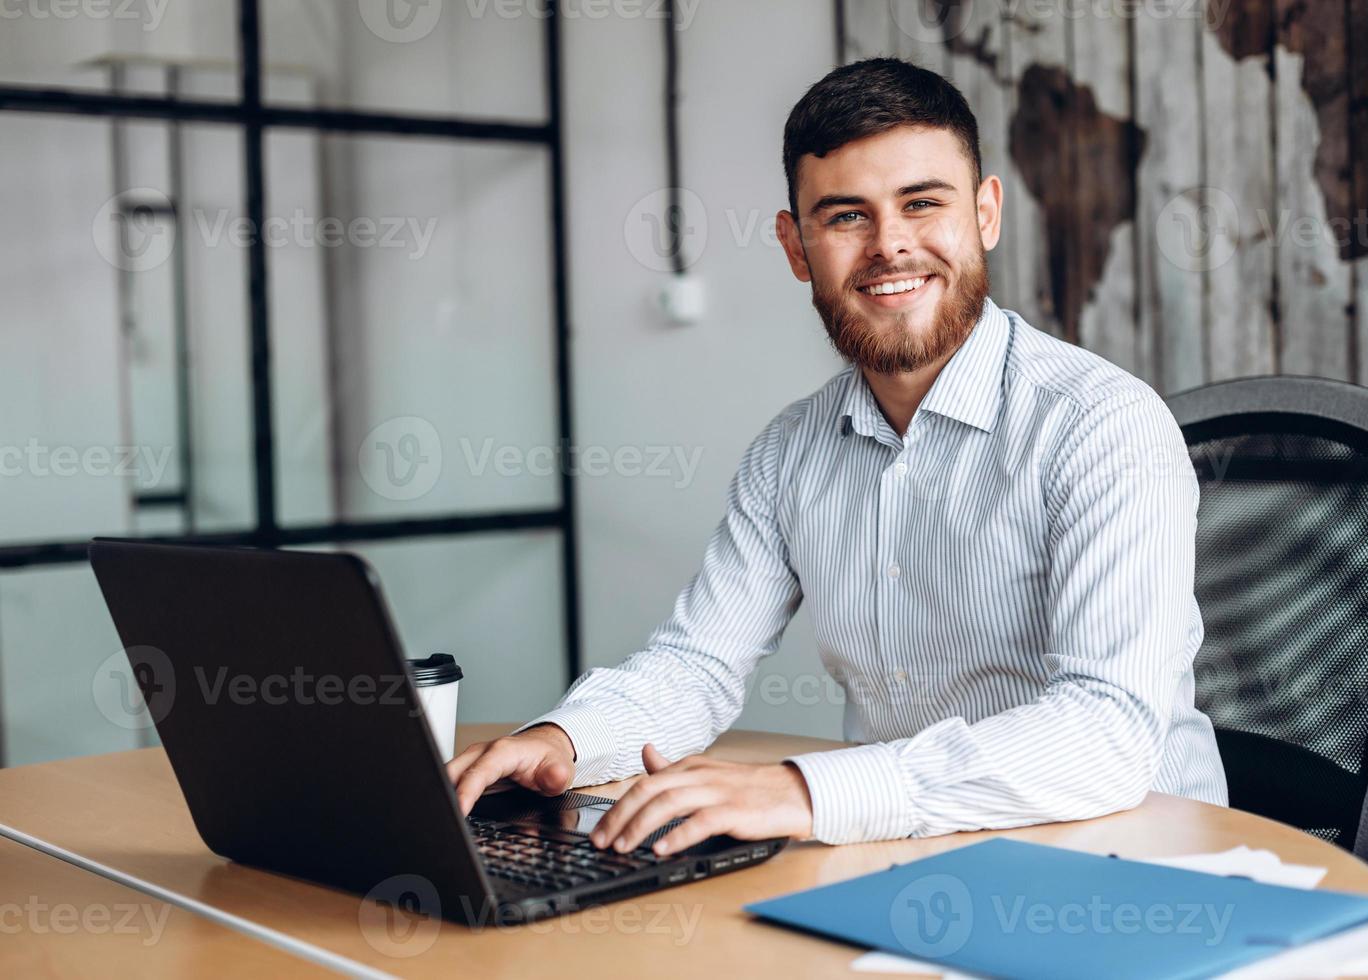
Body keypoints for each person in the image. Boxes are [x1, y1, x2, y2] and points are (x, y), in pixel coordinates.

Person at [448, 57, 1227, 857]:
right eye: (846, 216)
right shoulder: (790, 453)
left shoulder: (1103, 425)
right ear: (796, 245)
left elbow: (1106, 734)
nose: (890, 246)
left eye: (923, 204)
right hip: (908, 856)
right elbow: (697, 666)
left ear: (986, 213)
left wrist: (802, 789)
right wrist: (564, 740)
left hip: (1132, 867)